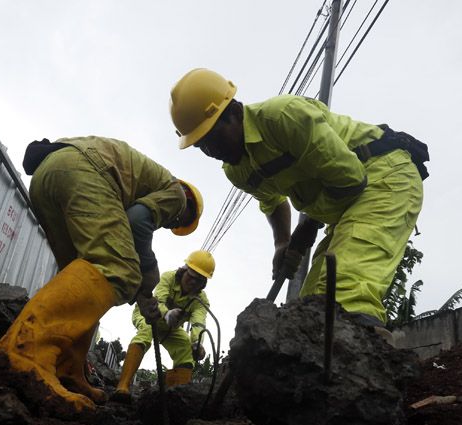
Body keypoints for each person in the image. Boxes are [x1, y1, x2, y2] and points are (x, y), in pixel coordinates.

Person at [169, 68, 427, 330]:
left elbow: (350, 179)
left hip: (384, 176)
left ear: (234, 112)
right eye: (201, 145)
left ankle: (356, 361)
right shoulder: (237, 170)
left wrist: (304, 231)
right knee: (308, 308)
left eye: (213, 136)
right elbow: (272, 201)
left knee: (343, 291)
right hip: (344, 207)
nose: (211, 150)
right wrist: (283, 243)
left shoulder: (284, 117)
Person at [0, 136, 204, 414]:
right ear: (187, 208)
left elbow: (110, 249)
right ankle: (25, 353)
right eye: (176, 222)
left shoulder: (143, 182)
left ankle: (67, 368)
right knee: (118, 267)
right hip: (85, 172)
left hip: (47, 176)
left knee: (87, 272)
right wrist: (148, 268)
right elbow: (138, 220)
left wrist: (142, 294)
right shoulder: (176, 195)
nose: (171, 223)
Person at [111, 250, 214, 403]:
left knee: (185, 348)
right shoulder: (168, 277)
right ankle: (123, 386)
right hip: (148, 314)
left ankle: (174, 397)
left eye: (198, 280)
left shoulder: (201, 301)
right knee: (145, 333)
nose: (192, 282)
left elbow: (198, 322)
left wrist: (197, 342)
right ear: (184, 270)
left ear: (203, 283)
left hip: (170, 329)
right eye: (191, 276)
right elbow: (158, 300)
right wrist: (167, 314)